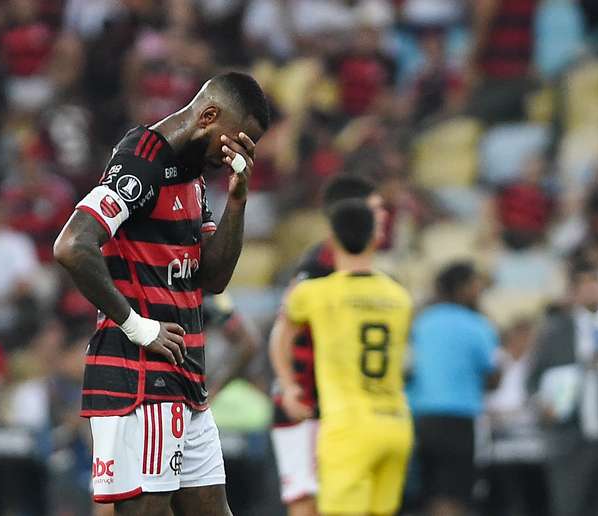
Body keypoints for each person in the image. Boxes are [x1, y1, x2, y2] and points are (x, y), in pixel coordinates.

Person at [53, 71, 269, 516]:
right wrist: (138, 327)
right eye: (238, 139)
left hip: (184, 381)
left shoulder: (192, 172)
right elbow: (73, 245)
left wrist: (238, 200)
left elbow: (212, 279)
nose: (239, 152)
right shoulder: (143, 160)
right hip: (141, 381)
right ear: (209, 116)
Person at [272, 199, 413, 516]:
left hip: (348, 426)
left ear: (331, 238)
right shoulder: (399, 297)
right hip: (396, 422)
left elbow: (282, 333)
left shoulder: (317, 294)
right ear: (375, 238)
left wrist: (288, 385)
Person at [527, 259, 598, 516]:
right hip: (570, 441)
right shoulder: (555, 333)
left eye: (595, 283)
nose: (590, 290)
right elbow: (532, 381)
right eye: (583, 285)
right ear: (573, 292)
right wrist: (543, 405)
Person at [408, 261, 498, 516]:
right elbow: (493, 378)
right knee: (456, 495)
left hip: (422, 416)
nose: (479, 289)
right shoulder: (477, 324)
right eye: (474, 284)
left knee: (431, 492)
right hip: (458, 417)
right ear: (461, 287)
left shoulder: (421, 321)